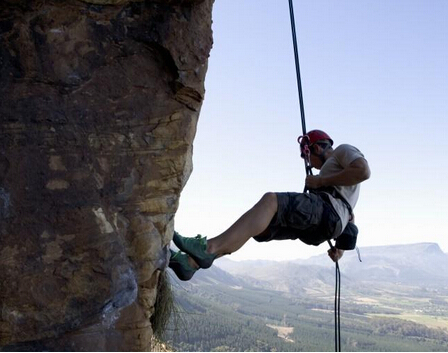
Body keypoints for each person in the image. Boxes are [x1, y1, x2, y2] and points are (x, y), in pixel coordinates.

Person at [169, 130, 371, 281]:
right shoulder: (341, 188)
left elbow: (363, 171)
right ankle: (190, 264)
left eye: (307, 157)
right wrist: (340, 250)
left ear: (316, 148)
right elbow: (348, 217)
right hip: (326, 225)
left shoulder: (343, 151)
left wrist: (319, 182)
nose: (310, 164)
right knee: (260, 226)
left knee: (270, 201)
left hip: (326, 212)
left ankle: (209, 247)